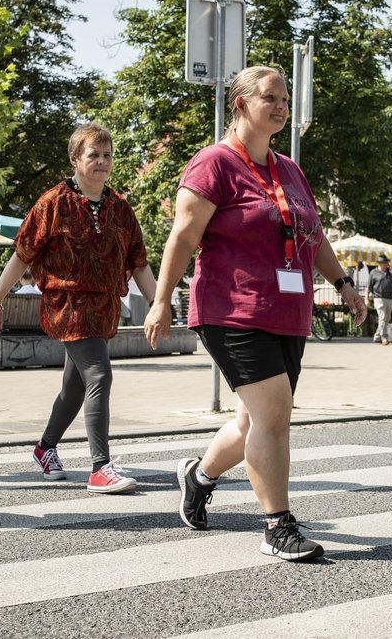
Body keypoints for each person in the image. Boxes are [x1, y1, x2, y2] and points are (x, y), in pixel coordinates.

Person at [143, 65, 367, 562]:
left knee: (252, 422)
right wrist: (161, 300)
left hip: (288, 311)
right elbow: (183, 235)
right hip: (232, 309)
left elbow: (314, 235)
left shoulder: (290, 170)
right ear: (241, 104)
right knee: (275, 416)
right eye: (271, 98)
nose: (282, 106)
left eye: (285, 99)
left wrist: (344, 285)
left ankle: (198, 477)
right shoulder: (213, 163)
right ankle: (277, 527)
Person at [0, 123, 156, 494]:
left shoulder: (120, 207)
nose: (102, 161)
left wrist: (158, 305)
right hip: (68, 305)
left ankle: (45, 447)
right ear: (75, 158)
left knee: (75, 386)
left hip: (104, 308)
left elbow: (139, 262)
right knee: (99, 374)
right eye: (93, 154)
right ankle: (100, 467)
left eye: (107, 155)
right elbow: (22, 254)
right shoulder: (53, 203)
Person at [367, 256, 392, 345]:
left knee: (386, 319)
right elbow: (368, 286)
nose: (386, 265)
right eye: (384, 263)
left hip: (389, 299)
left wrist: (391, 272)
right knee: (382, 317)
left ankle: (377, 336)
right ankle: (384, 337)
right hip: (379, 298)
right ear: (380, 264)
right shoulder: (373, 272)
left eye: (387, 263)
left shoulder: (390, 272)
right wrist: (366, 299)